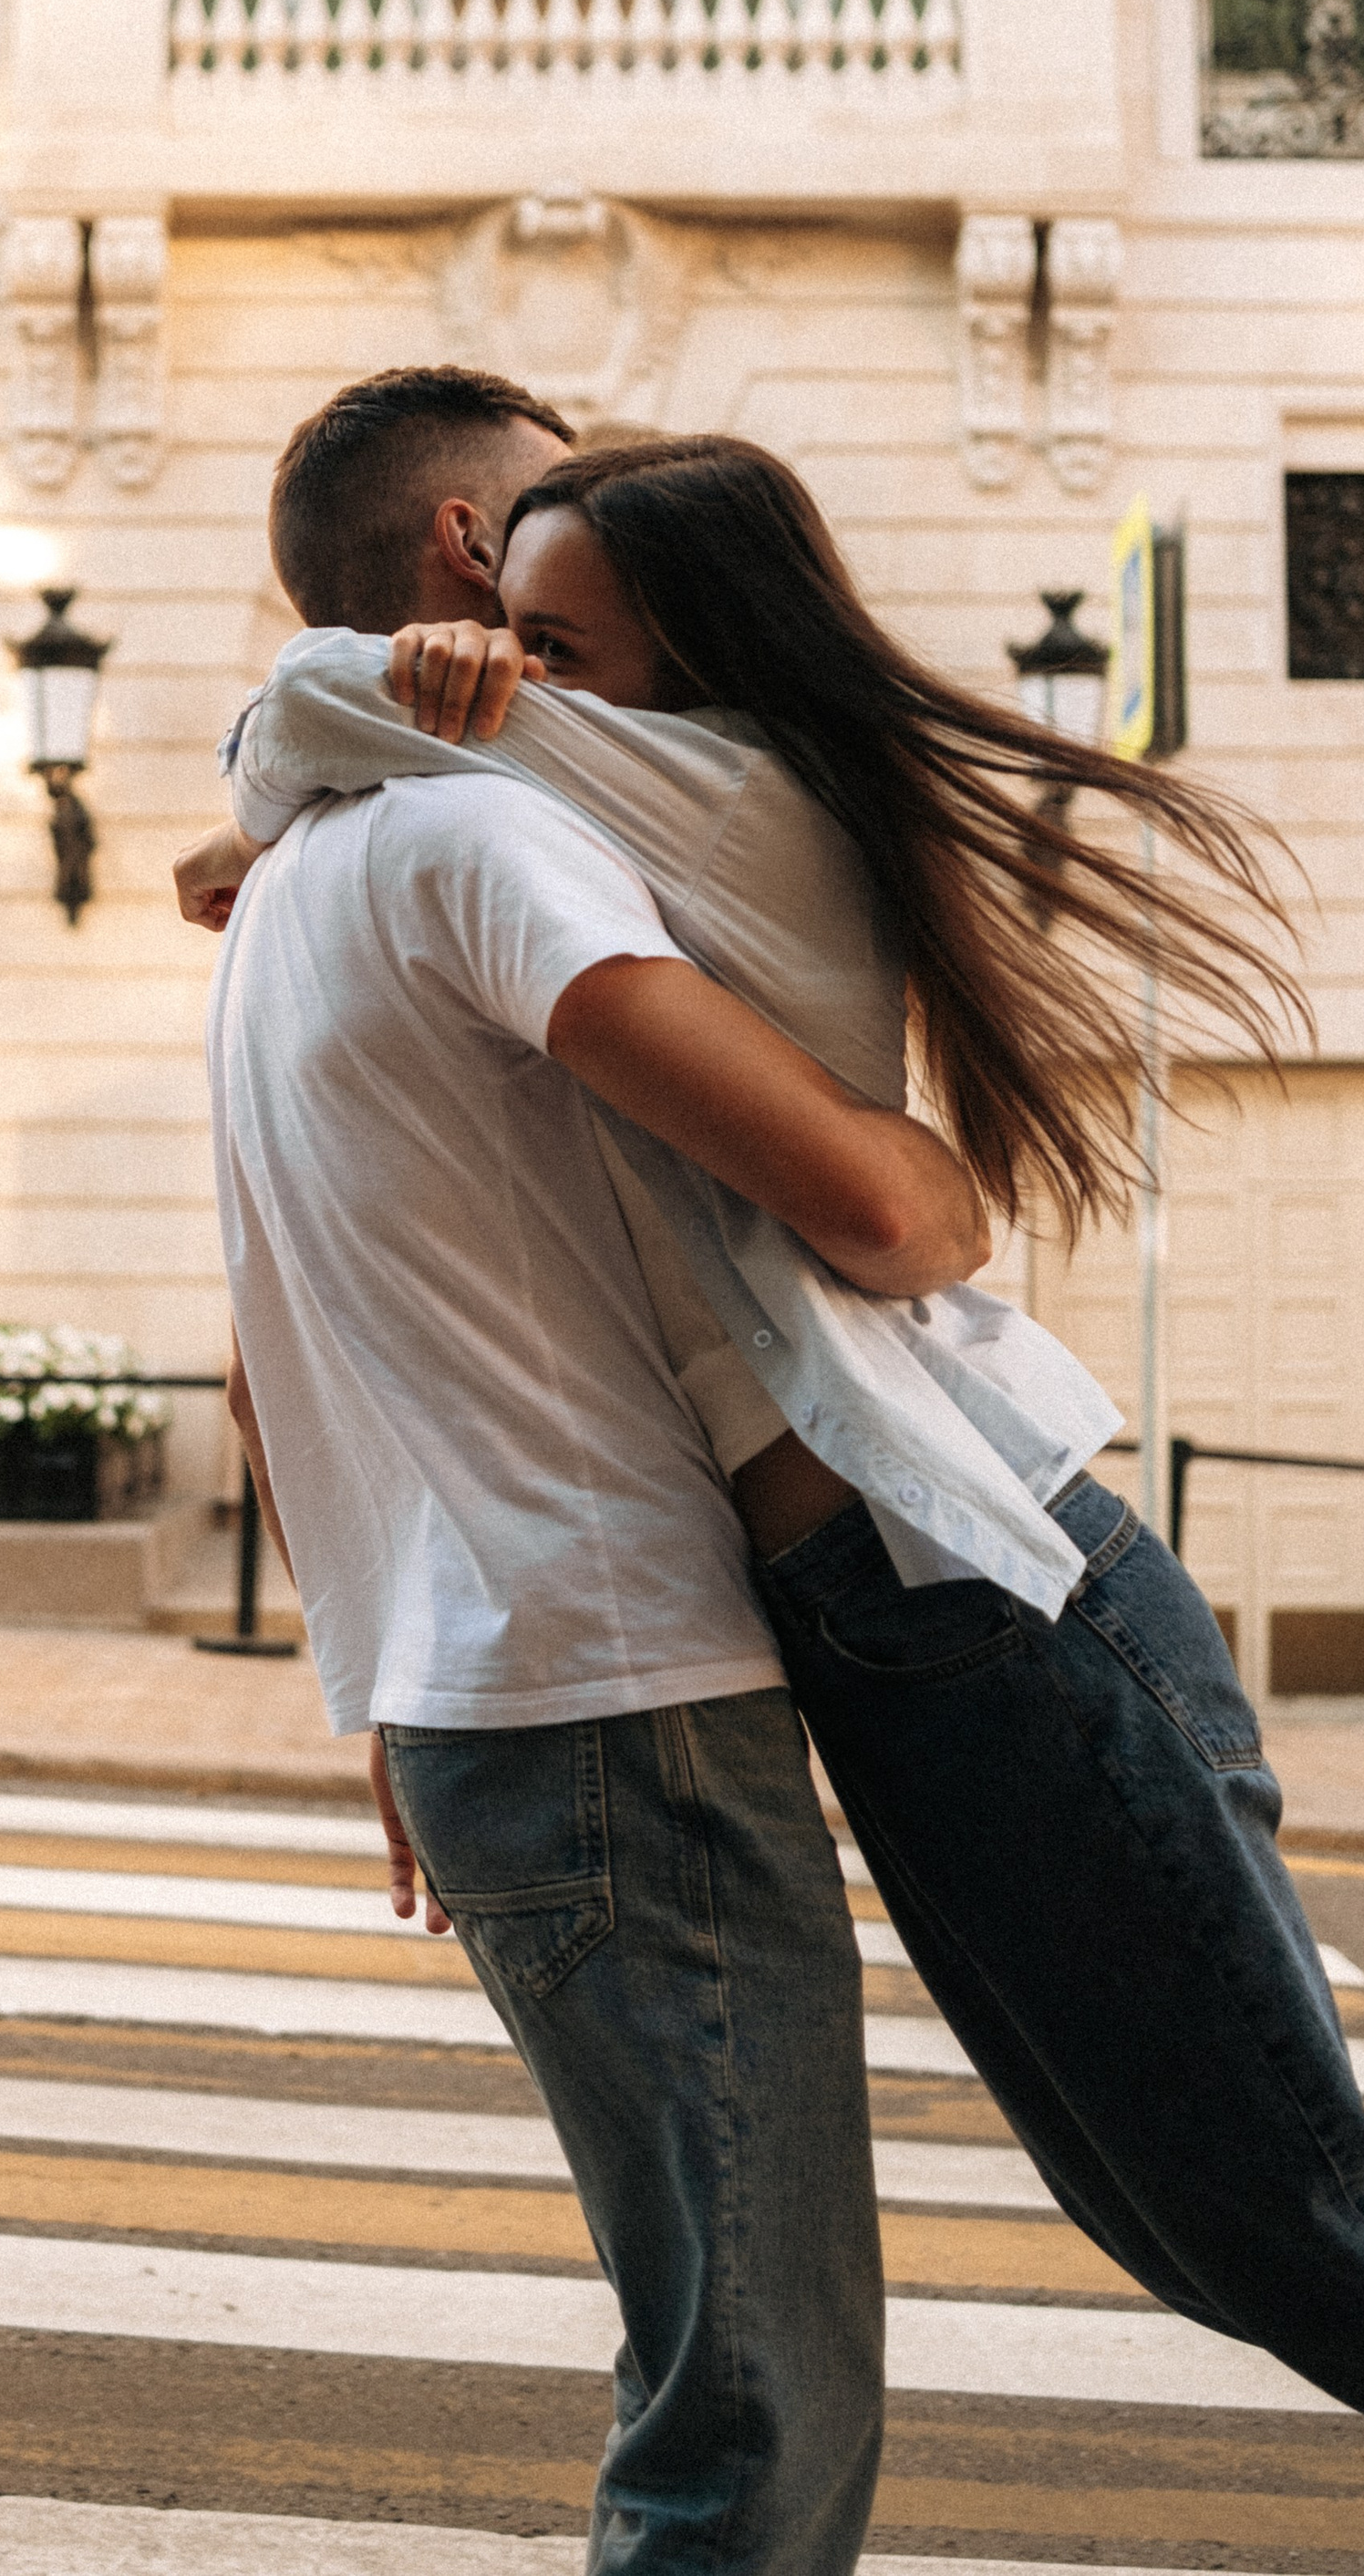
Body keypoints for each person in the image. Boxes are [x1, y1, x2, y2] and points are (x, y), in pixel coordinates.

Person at [189, 408, 1364, 2513]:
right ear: (461, 551)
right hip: (880, 1608)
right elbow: (296, 1314)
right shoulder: (482, 813)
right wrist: (385, 1657)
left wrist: (310, 730)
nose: (528, 675)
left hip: (980, 1572)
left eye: (576, 639)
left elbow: (910, 1219)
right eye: (515, 622)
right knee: (1216, 2227)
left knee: (1299, 2218)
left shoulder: (620, 795)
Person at [202, 366, 998, 2572]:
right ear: (473, 547)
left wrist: (384, 1669)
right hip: (615, 1685)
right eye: (560, 489)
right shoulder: (485, 831)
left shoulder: (283, 893)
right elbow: (881, 1213)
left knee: (716, 2364)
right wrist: (935, 1188)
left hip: (497, 1691)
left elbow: (270, 1332)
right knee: (750, 2402)